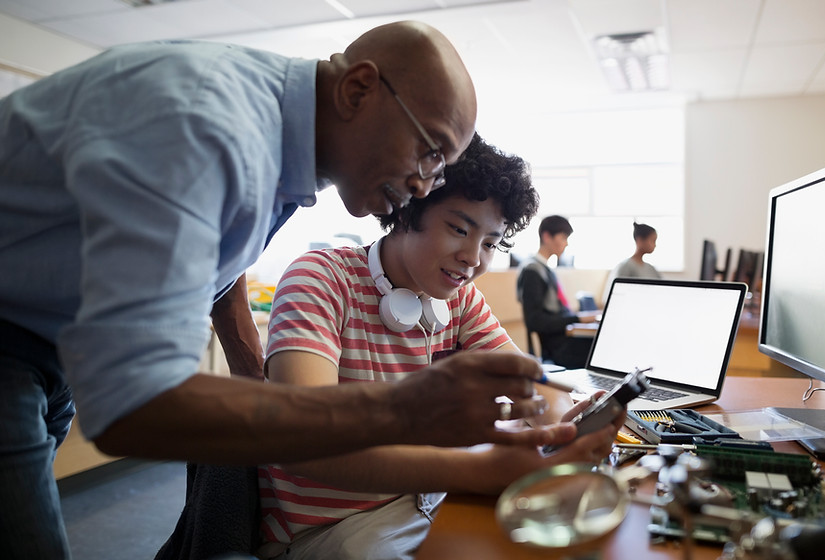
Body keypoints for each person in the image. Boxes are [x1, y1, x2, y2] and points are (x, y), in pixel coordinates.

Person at [0, 21, 574, 559]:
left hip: (51, 341)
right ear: (358, 90)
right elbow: (134, 404)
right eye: (429, 153)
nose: (425, 184)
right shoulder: (210, 132)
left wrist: (256, 371)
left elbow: (215, 259)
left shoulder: (274, 152)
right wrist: (404, 408)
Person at [255, 135, 622, 560]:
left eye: (489, 243)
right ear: (408, 209)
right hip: (333, 529)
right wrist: (479, 471)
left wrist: (566, 423)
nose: (472, 257)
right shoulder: (319, 279)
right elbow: (304, 444)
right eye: (459, 229)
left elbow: (527, 382)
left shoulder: (459, 299)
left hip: (433, 500)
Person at [516, 216, 598, 368]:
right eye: (563, 237)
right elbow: (535, 321)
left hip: (565, 339)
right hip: (558, 348)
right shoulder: (532, 271)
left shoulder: (545, 269)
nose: (566, 243)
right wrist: (578, 319)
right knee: (600, 347)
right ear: (547, 236)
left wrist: (579, 319)